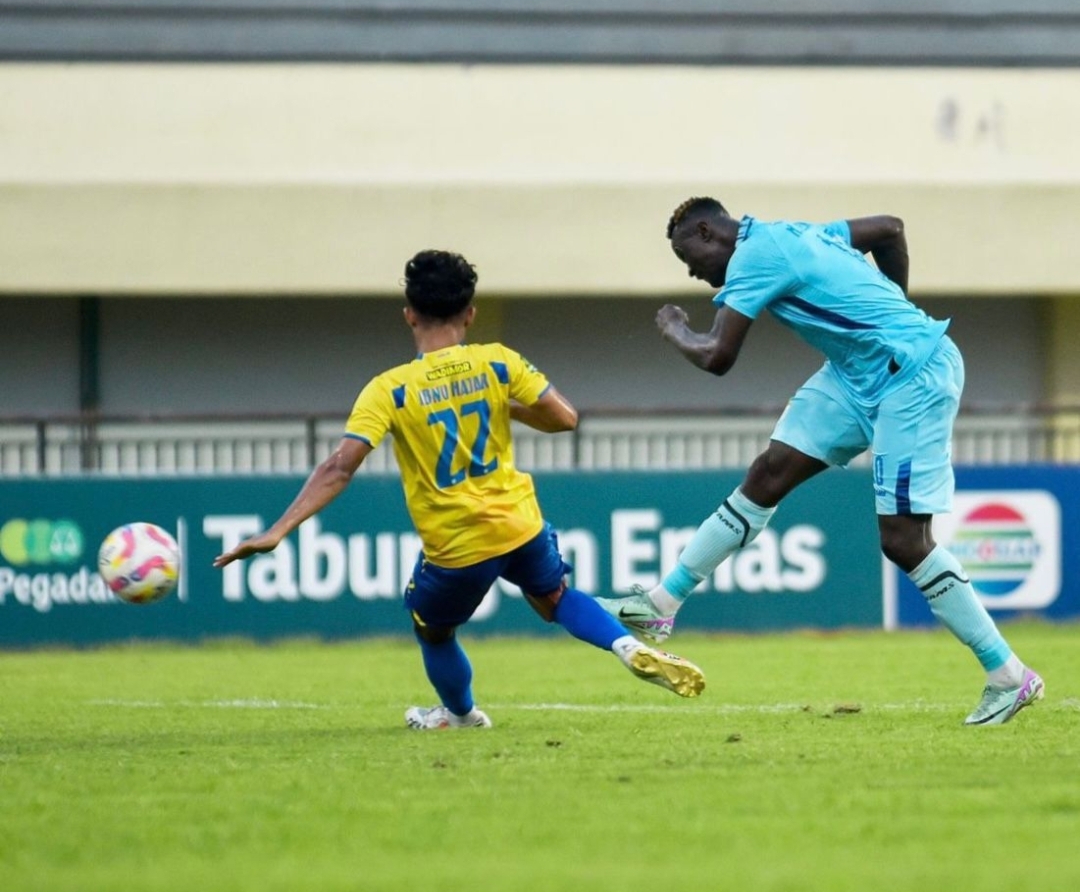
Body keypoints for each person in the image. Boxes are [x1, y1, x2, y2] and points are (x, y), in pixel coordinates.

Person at [598, 197, 1043, 726]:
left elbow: (718, 356)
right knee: (768, 474)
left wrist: (674, 328)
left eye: (687, 257)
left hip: (911, 375)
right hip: (856, 372)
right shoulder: (797, 232)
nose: (693, 273)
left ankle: (1009, 676)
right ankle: (661, 603)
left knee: (904, 540)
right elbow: (889, 229)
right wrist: (891, 303)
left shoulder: (753, 258)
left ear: (706, 231)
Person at [214, 249, 704, 729]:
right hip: (519, 523)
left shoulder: (389, 389)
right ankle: (626, 645)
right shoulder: (497, 362)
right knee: (555, 598)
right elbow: (565, 418)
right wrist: (501, 403)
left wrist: (277, 531)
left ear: (408, 315)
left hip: (457, 545)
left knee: (434, 630)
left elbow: (339, 468)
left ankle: (461, 714)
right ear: (470, 315)